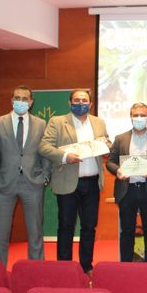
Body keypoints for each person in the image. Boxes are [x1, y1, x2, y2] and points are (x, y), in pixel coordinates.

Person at [38, 89, 109, 274]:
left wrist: (106, 145)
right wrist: (65, 156)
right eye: (76, 100)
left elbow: (105, 141)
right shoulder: (57, 122)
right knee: (66, 226)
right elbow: (44, 146)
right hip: (68, 181)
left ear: (90, 104)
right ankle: (64, 267)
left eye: (84, 100)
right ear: (70, 103)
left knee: (89, 226)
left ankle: (86, 266)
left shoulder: (98, 122)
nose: (80, 103)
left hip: (92, 182)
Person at [0, 85, 50, 266]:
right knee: (1, 232)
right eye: (17, 98)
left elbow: (45, 152)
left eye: (25, 99)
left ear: (31, 102)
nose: (20, 102)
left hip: (33, 183)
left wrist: (45, 175)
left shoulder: (40, 124)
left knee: (35, 231)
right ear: (11, 100)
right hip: (4, 184)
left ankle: (36, 269)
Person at [105, 103, 147, 262]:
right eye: (136, 115)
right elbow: (110, 162)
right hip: (127, 190)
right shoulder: (120, 139)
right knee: (127, 230)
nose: (139, 118)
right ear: (131, 117)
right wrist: (117, 171)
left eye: (142, 115)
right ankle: (126, 265)